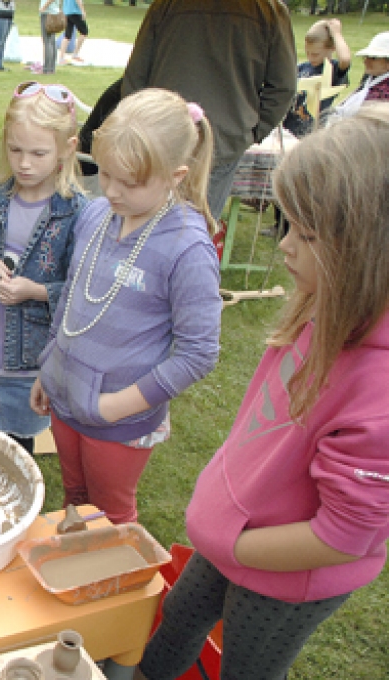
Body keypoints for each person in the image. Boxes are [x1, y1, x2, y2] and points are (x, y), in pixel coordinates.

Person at [136, 106, 389, 680]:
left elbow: (344, 537)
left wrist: (234, 545)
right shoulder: (330, 302)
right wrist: (227, 531)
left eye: (305, 233)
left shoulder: (379, 394)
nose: (284, 247)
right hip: (240, 535)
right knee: (177, 619)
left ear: (367, 251)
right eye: (287, 224)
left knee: (247, 668)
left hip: (285, 577)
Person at [30, 89, 223, 525]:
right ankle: (78, 566)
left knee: (111, 514)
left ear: (176, 175)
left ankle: (112, 585)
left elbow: (199, 353)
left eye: (130, 183)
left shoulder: (186, 249)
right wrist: (49, 365)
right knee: (75, 497)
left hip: (119, 420)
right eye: (106, 174)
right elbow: (73, 293)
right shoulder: (97, 216)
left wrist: (115, 407)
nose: (111, 191)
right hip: (65, 395)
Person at [0, 83, 85, 455]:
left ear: (68, 148)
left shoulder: (77, 212)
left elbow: (82, 286)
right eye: (15, 150)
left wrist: (36, 291)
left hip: (32, 366)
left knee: (16, 449)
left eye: (38, 153)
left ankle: (11, 509)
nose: (25, 163)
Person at [122, 0, 296, 221]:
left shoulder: (167, 5)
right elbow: (284, 87)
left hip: (165, 133)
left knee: (147, 225)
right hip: (214, 137)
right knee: (195, 229)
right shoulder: (269, 11)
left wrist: (253, 132)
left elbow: (135, 77)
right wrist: (250, 132)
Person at [283, 19, 351, 138]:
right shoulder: (302, 68)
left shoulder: (332, 70)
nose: (310, 57)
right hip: (289, 127)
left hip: (313, 132)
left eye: (315, 54)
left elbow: (345, 59)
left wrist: (336, 34)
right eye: (307, 53)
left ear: (332, 48)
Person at [329, 32, 389, 121]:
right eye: (366, 57)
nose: (365, 61)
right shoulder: (370, 80)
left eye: (373, 58)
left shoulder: (384, 92)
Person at [57, 0, 87, 65]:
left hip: (67, 12)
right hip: (75, 12)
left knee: (67, 35)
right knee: (84, 32)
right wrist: (83, 10)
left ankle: (61, 58)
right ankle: (75, 54)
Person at [38, 0, 61, 74]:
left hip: (47, 12)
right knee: (52, 41)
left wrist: (43, 7)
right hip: (54, 12)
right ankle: (52, 68)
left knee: (47, 41)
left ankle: (47, 68)